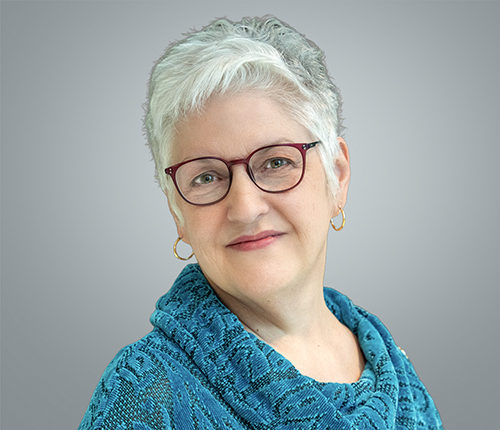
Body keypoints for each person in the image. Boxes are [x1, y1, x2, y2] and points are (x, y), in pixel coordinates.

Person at [79, 16, 443, 429]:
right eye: (206, 177)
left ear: (337, 175)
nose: (245, 208)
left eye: (276, 162)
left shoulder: (391, 364)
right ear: (177, 212)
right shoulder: (144, 396)